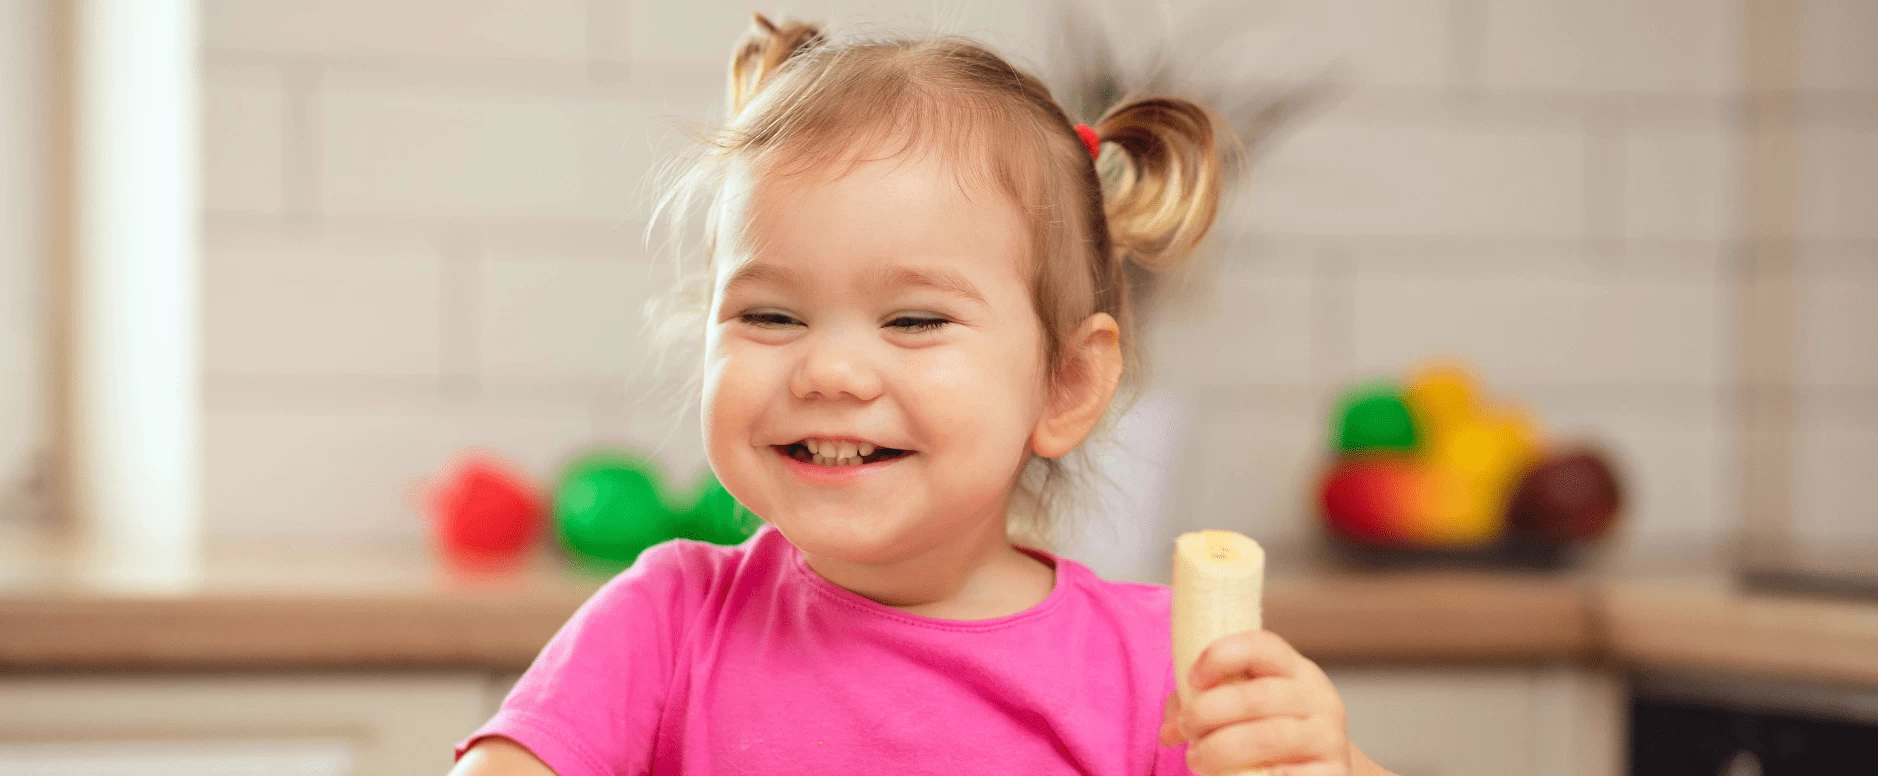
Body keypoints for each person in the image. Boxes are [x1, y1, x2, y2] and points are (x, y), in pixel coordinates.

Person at [451, 13, 1393, 776]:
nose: (828, 372)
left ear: (1065, 386)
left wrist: (1326, 761)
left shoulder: (1159, 676)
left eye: (912, 321)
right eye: (771, 317)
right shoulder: (662, 624)